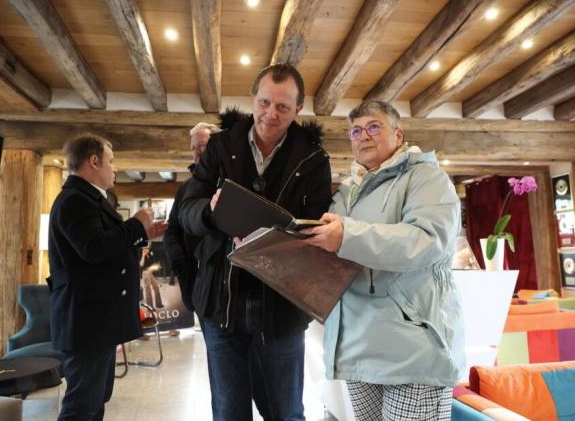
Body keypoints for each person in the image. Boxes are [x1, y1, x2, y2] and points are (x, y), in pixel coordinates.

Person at [178, 64, 332, 421]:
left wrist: (276, 239)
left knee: (286, 412)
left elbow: (316, 229)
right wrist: (209, 211)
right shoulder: (219, 147)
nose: (270, 114)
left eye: (282, 107)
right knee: (229, 412)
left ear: (298, 109)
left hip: (281, 308)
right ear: (253, 99)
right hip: (221, 304)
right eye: (264, 102)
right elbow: (186, 212)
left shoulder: (314, 160)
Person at [304, 101, 465, 421]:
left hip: (412, 347)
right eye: (355, 131)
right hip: (356, 345)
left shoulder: (426, 178)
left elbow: (426, 240)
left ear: (398, 134)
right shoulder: (346, 193)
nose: (363, 136)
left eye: (374, 127)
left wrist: (346, 236)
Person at [48, 133, 166, 421]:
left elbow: (105, 245)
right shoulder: (75, 200)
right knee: (82, 407)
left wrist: (143, 234)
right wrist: (136, 225)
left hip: (98, 320)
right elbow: (93, 248)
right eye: (111, 161)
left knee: (95, 401)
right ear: (93, 161)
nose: (115, 168)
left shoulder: (87, 198)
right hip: (87, 322)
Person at [164, 122, 221, 313]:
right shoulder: (186, 188)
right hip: (196, 284)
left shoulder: (232, 182)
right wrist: (181, 264)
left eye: (202, 145)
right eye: (193, 148)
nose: (197, 152)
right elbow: (172, 231)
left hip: (226, 287)